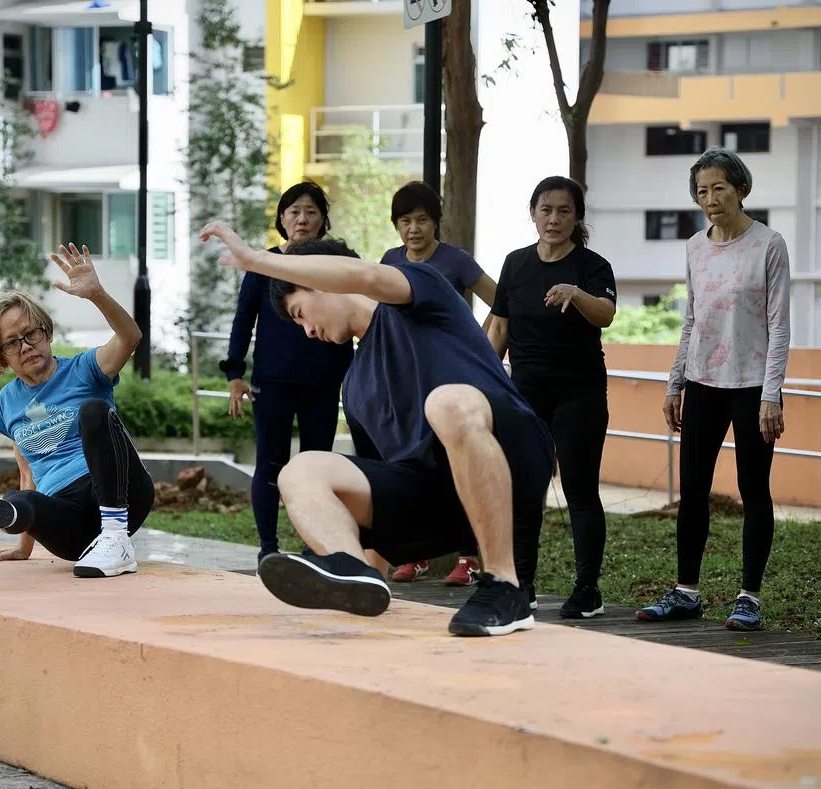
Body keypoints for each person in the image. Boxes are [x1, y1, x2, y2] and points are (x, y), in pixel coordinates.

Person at [197, 221, 556, 637]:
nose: (307, 331)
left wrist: (260, 261)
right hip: (441, 505)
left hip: (512, 452)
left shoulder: (418, 293)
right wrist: (371, 577)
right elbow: (377, 479)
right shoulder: (355, 388)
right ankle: (349, 568)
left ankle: (504, 586)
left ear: (324, 282)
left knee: (446, 402)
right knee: (300, 469)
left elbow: (364, 276)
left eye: (300, 314)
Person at [0, 244, 153, 578]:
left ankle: (116, 537)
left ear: (46, 331)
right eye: (12, 342)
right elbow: (29, 472)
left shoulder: (84, 369)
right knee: (22, 497)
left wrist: (96, 295)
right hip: (73, 527)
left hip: (123, 495)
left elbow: (131, 336)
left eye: (31, 334)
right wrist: (23, 548)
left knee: (94, 411)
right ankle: (9, 513)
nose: (26, 346)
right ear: (0, 356)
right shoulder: (10, 400)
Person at [638, 147, 790, 631]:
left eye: (719, 188)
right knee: (693, 490)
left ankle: (749, 596)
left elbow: (779, 325)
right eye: (702, 191)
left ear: (741, 189)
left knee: (753, 490)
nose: (710, 199)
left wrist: (772, 393)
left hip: (751, 387)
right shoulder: (694, 247)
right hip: (702, 381)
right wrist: (674, 382)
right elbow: (691, 318)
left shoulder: (770, 244)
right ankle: (686, 592)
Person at [485, 176, 618, 619]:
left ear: (576, 216)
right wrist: (483, 379)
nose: (554, 218)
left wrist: (576, 293)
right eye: (546, 210)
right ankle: (522, 585)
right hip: (526, 393)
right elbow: (500, 326)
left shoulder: (592, 266)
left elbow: (607, 314)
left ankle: (587, 589)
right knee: (525, 490)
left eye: (564, 210)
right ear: (533, 213)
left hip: (578, 392)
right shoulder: (515, 264)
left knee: (580, 490)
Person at [221, 181, 354, 564]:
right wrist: (234, 373)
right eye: (294, 211)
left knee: (318, 466)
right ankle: (268, 549)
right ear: (282, 218)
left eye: (311, 211)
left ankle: (313, 547)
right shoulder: (264, 265)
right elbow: (243, 321)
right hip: (273, 380)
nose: (302, 219)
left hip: (325, 381)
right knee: (270, 464)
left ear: (322, 220)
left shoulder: (338, 262)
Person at [380, 180, 499, 586]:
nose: (414, 228)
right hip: (406, 378)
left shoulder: (455, 261)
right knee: (409, 465)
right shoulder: (390, 259)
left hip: (451, 378)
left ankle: (468, 557)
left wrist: (480, 348)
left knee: (457, 464)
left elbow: (502, 304)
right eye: (406, 221)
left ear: (436, 222)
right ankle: (417, 553)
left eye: (422, 220)